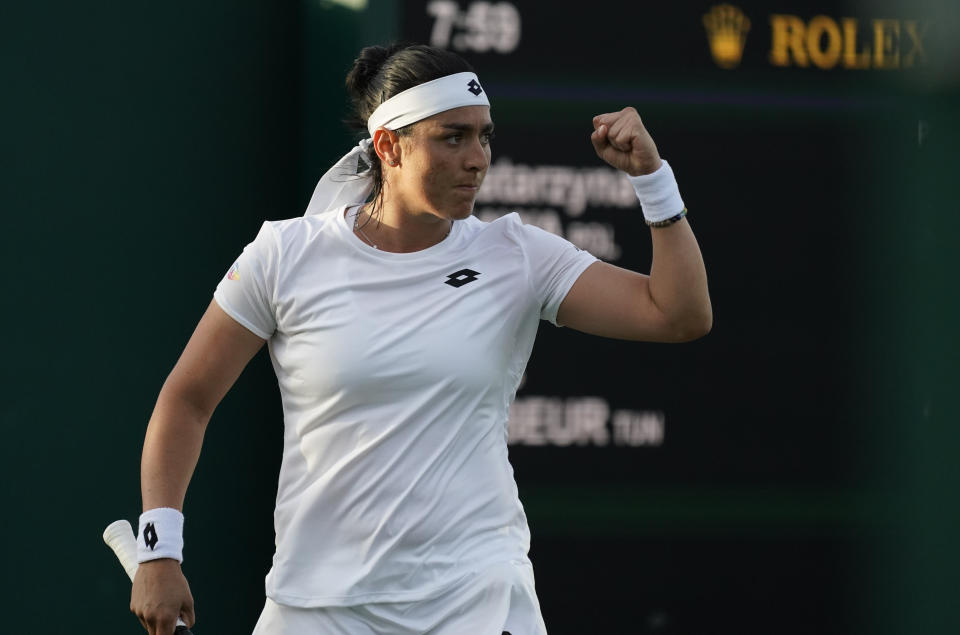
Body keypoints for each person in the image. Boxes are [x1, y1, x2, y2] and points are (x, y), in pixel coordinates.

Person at [129, 42, 711, 635]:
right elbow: (187, 399)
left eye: (484, 136)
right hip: (316, 608)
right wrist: (159, 549)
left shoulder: (518, 255)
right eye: (452, 137)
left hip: (478, 602)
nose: (477, 158)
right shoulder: (283, 255)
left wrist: (653, 182)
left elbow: (676, 315)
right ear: (389, 146)